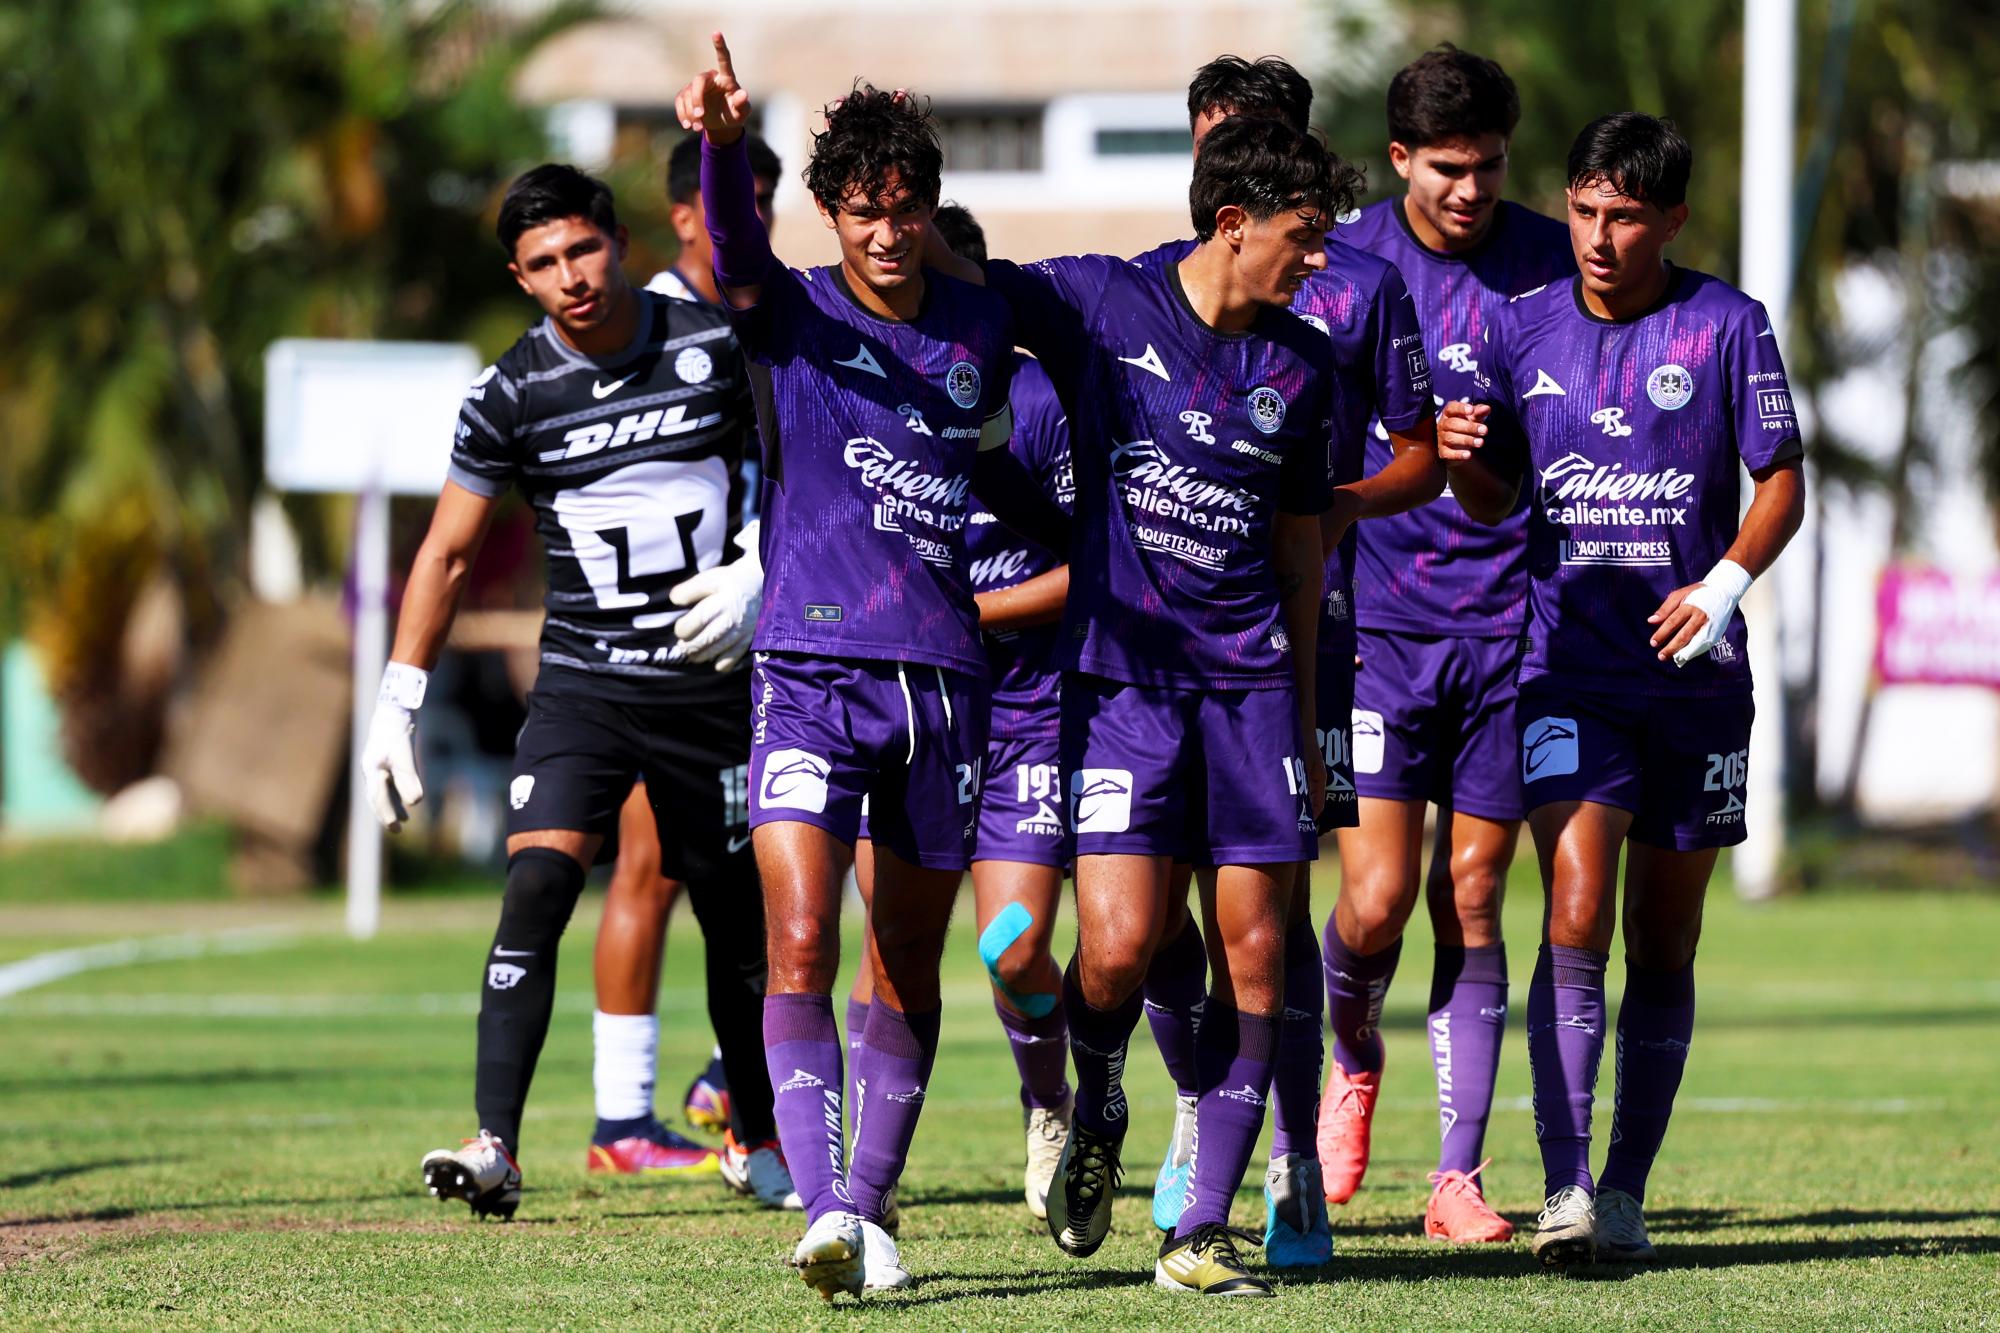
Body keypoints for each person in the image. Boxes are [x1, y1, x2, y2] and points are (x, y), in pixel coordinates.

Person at [674, 34, 1063, 1301]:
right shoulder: (791, 311)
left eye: (901, 211)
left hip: (945, 685)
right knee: (797, 934)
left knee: (902, 958)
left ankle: (874, 1203)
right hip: (807, 671)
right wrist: (724, 148)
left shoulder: (983, 329)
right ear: (830, 215)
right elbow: (733, 254)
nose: (884, 235)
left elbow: (1025, 431)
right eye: (860, 213)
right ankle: (830, 1208)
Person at [940, 114, 1353, 1296]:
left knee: (1257, 963)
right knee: (1114, 952)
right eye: (1303, 237)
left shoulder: (1302, 366)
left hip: (1252, 693)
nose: (1316, 260)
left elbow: (1300, 557)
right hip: (1121, 691)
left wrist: (1311, 724)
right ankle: (1098, 1098)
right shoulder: (1100, 305)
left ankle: (1195, 1233)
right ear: (1233, 225)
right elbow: (968, 286)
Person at [360, 164, 769, 1220]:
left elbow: (799, 467)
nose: (570, 277)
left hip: (709, 682)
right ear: (519, 277)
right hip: (585, 686)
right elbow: (448, 553)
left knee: (734, 919)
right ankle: (494, 1143)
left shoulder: (713, 347)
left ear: (619, 241)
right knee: (537, 887)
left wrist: (764, 567)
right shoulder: (509, 393)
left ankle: (757, 1140)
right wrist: (397, 701)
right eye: (543, 265)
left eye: (582, 250)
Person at [1438, 112, 1805, 1268]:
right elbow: (1497, 498)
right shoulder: (1518, 323)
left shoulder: (1723, 326)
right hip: (1563, 672)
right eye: (1584, 211)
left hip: (1696, 682)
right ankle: (1563, 1186)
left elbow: (1781, 478)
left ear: (1670, 220)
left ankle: (1629, 1188)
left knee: (1662, 933)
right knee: (1577, 906)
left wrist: (1724, 582)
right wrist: (1460, 460)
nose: (1596, 237)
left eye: (1624, 217)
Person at [1129, 55, 1444, 1269]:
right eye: (1209, 138)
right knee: (1147, 914)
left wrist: (1310, 510)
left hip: (1305, 638)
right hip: (1156, 657)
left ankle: (1292, 1159)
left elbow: (1418, 455)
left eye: (1248, 137)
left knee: (1273, 911)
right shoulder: (1150, 291)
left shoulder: (1351, 289)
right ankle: (1192, 1111)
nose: (1226, 157)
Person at [1318, 45, 1574, 1244]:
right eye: (1447, 171)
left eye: (1487, 169)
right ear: (1400, 161)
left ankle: (1455, 1178)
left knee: (1472, 891)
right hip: (1380, 626)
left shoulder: (1546, 263)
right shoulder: (1347, 261)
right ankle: (1351, 1054)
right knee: (1371, 903)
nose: (1469, 192)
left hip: (1512, 631)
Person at [579, 131, 800, 1214]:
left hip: (767, 620)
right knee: (647, 866)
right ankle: (622, 1118)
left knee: (760, 858)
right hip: (662, 631)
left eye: (759, 200)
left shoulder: (761, 316)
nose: (740, 217)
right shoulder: (649, 321)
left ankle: (727, 1079)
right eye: (726, 199)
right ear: (681, 213)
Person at [843, 205, 1078, 1223]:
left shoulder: (1040, 397)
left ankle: (1049, 1101)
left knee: (1013, 948)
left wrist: (969, 609)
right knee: (892, 949)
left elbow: (1087, 564)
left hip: (1023, 707)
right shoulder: (864, 386)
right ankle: (869, 1186)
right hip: (905, 705)